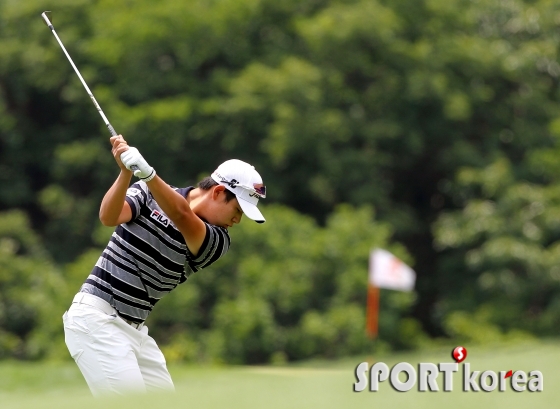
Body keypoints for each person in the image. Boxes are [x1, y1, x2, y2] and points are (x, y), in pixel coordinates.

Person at [62, 135, 266, 396]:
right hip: (96, 319)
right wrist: (126, 173)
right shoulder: (148, 193)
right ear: (217, 192)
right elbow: (109, 216)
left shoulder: (217, 240)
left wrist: (148, 173)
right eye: (237, 210)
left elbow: (181, 214)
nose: (237, 220)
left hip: (134, 332)